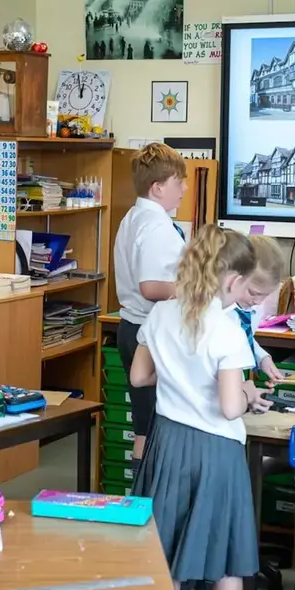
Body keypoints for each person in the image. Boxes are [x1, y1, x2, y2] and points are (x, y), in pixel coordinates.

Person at [130, 224, 271, 590]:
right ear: (232, 281)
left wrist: (180, 380)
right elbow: (231, 407)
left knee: (165, 549)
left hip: (168, 443)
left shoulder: (162, 313)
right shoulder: (226, 328)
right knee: (228, 559)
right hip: (216, 450)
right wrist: (249, 393)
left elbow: (139, 375)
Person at [178, 233, 286, 590]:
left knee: (193, 526)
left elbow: (246, 340)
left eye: (264, 295)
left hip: (197, 432)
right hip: (209, 434)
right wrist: (244, 392)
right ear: (234, 278)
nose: (256, 301)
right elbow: (221, 385)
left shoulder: (235, 311)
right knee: (198, 527)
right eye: (253, 291)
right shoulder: (217, 317)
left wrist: (260, 357)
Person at [114, 143, 187, 466]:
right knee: (157, 426)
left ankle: (142, 500)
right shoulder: (158, 226)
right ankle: (152, 500)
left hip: (132, 327)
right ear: (158, 188)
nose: (184, 189)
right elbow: (151, 286)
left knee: (145, 424)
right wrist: (198, 289)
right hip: (150, 332)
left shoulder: (135, 216)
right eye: (178, 182)